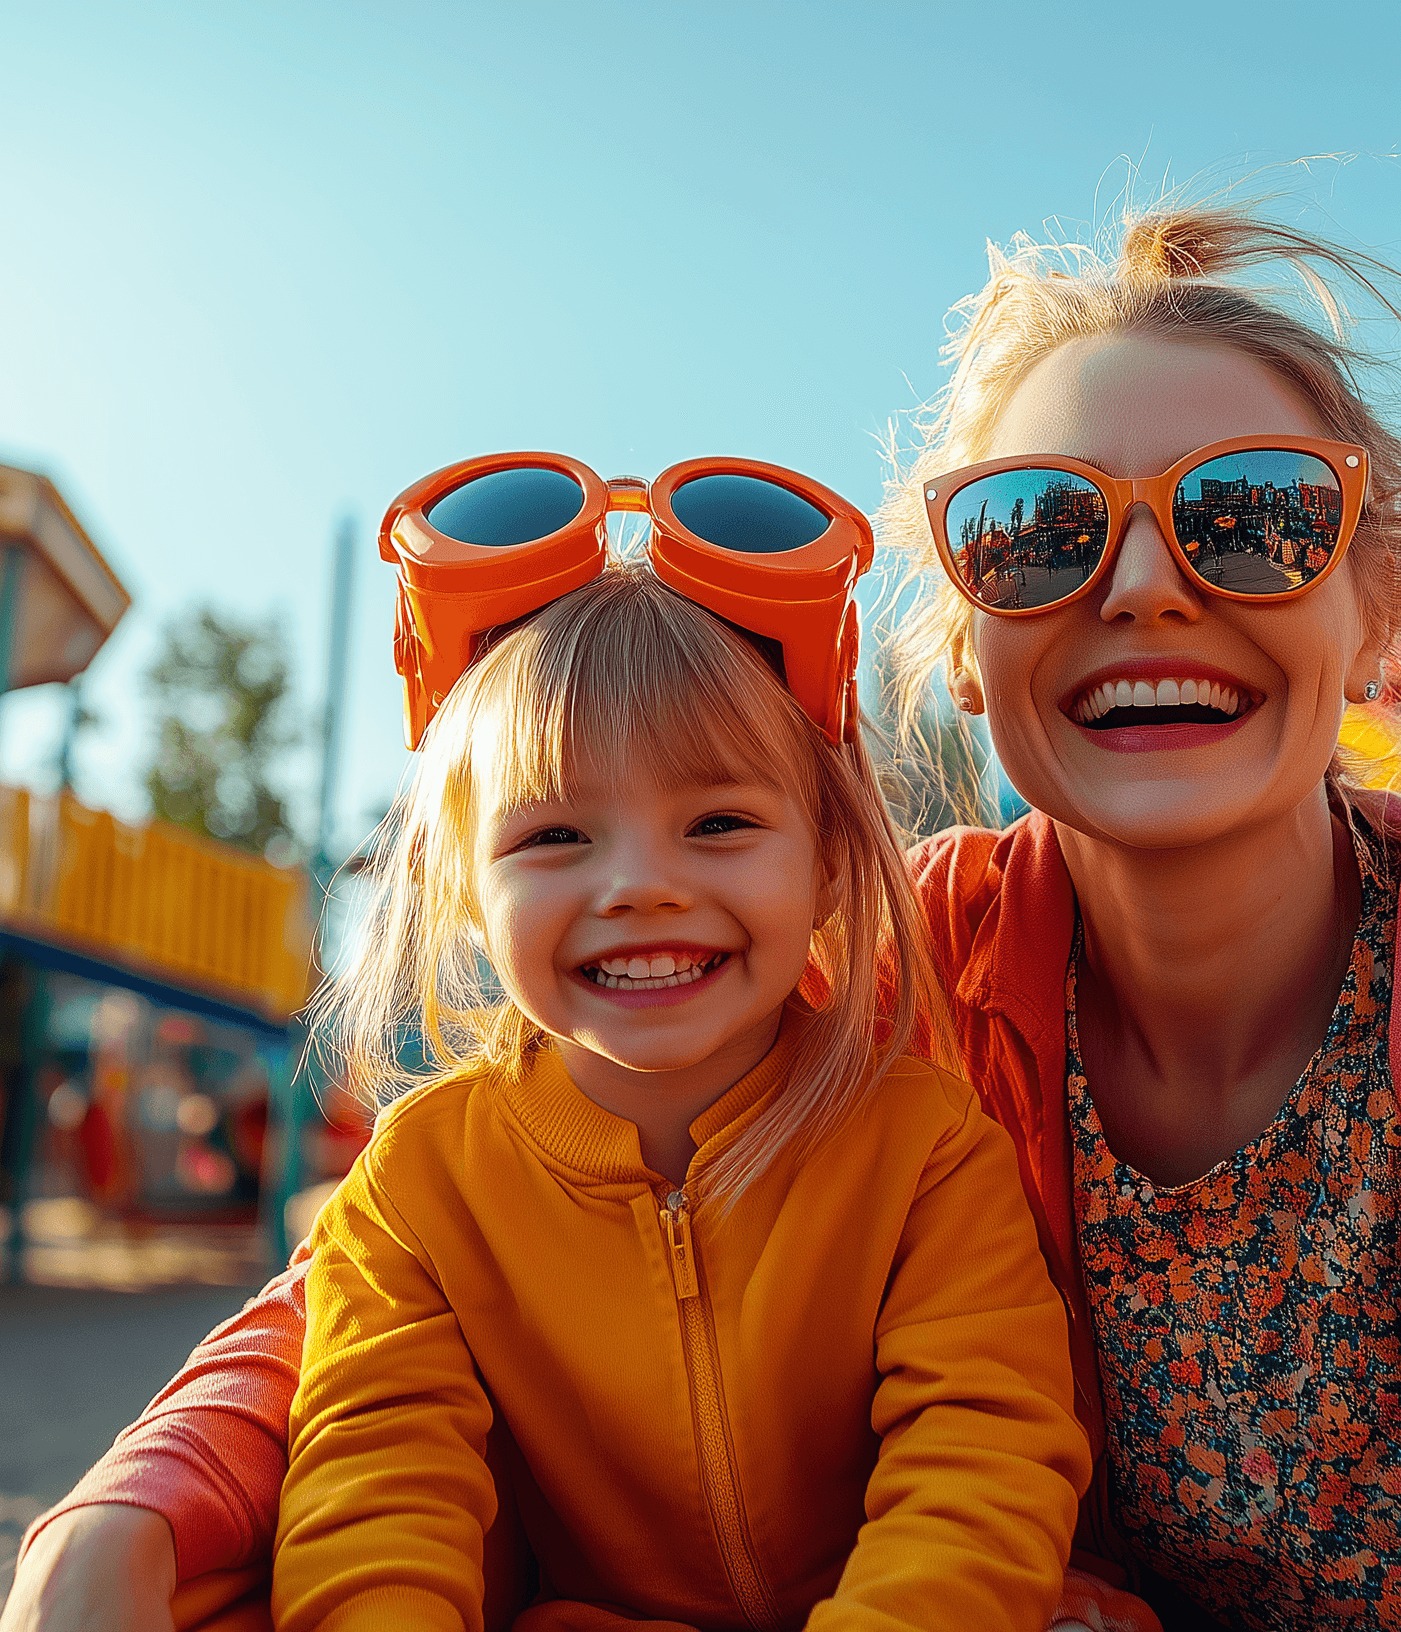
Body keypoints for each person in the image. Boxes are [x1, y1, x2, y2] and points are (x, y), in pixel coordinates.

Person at [6, 204, 1401, 1632]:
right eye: (1044, 533)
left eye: (1250, 516)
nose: (1143, 586)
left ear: (1372, 599)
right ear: (967, 652)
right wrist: (136, 1496)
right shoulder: (898, 970)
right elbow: (413, 1251)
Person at [268, 452, 1090, 1631]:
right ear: (463, 888)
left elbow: (982, 1453)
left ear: (828, 867)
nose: (641, 887)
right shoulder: (418, 1189)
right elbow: (373, 1484)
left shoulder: (918, 1149)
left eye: (717, 822)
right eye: (554, 835)